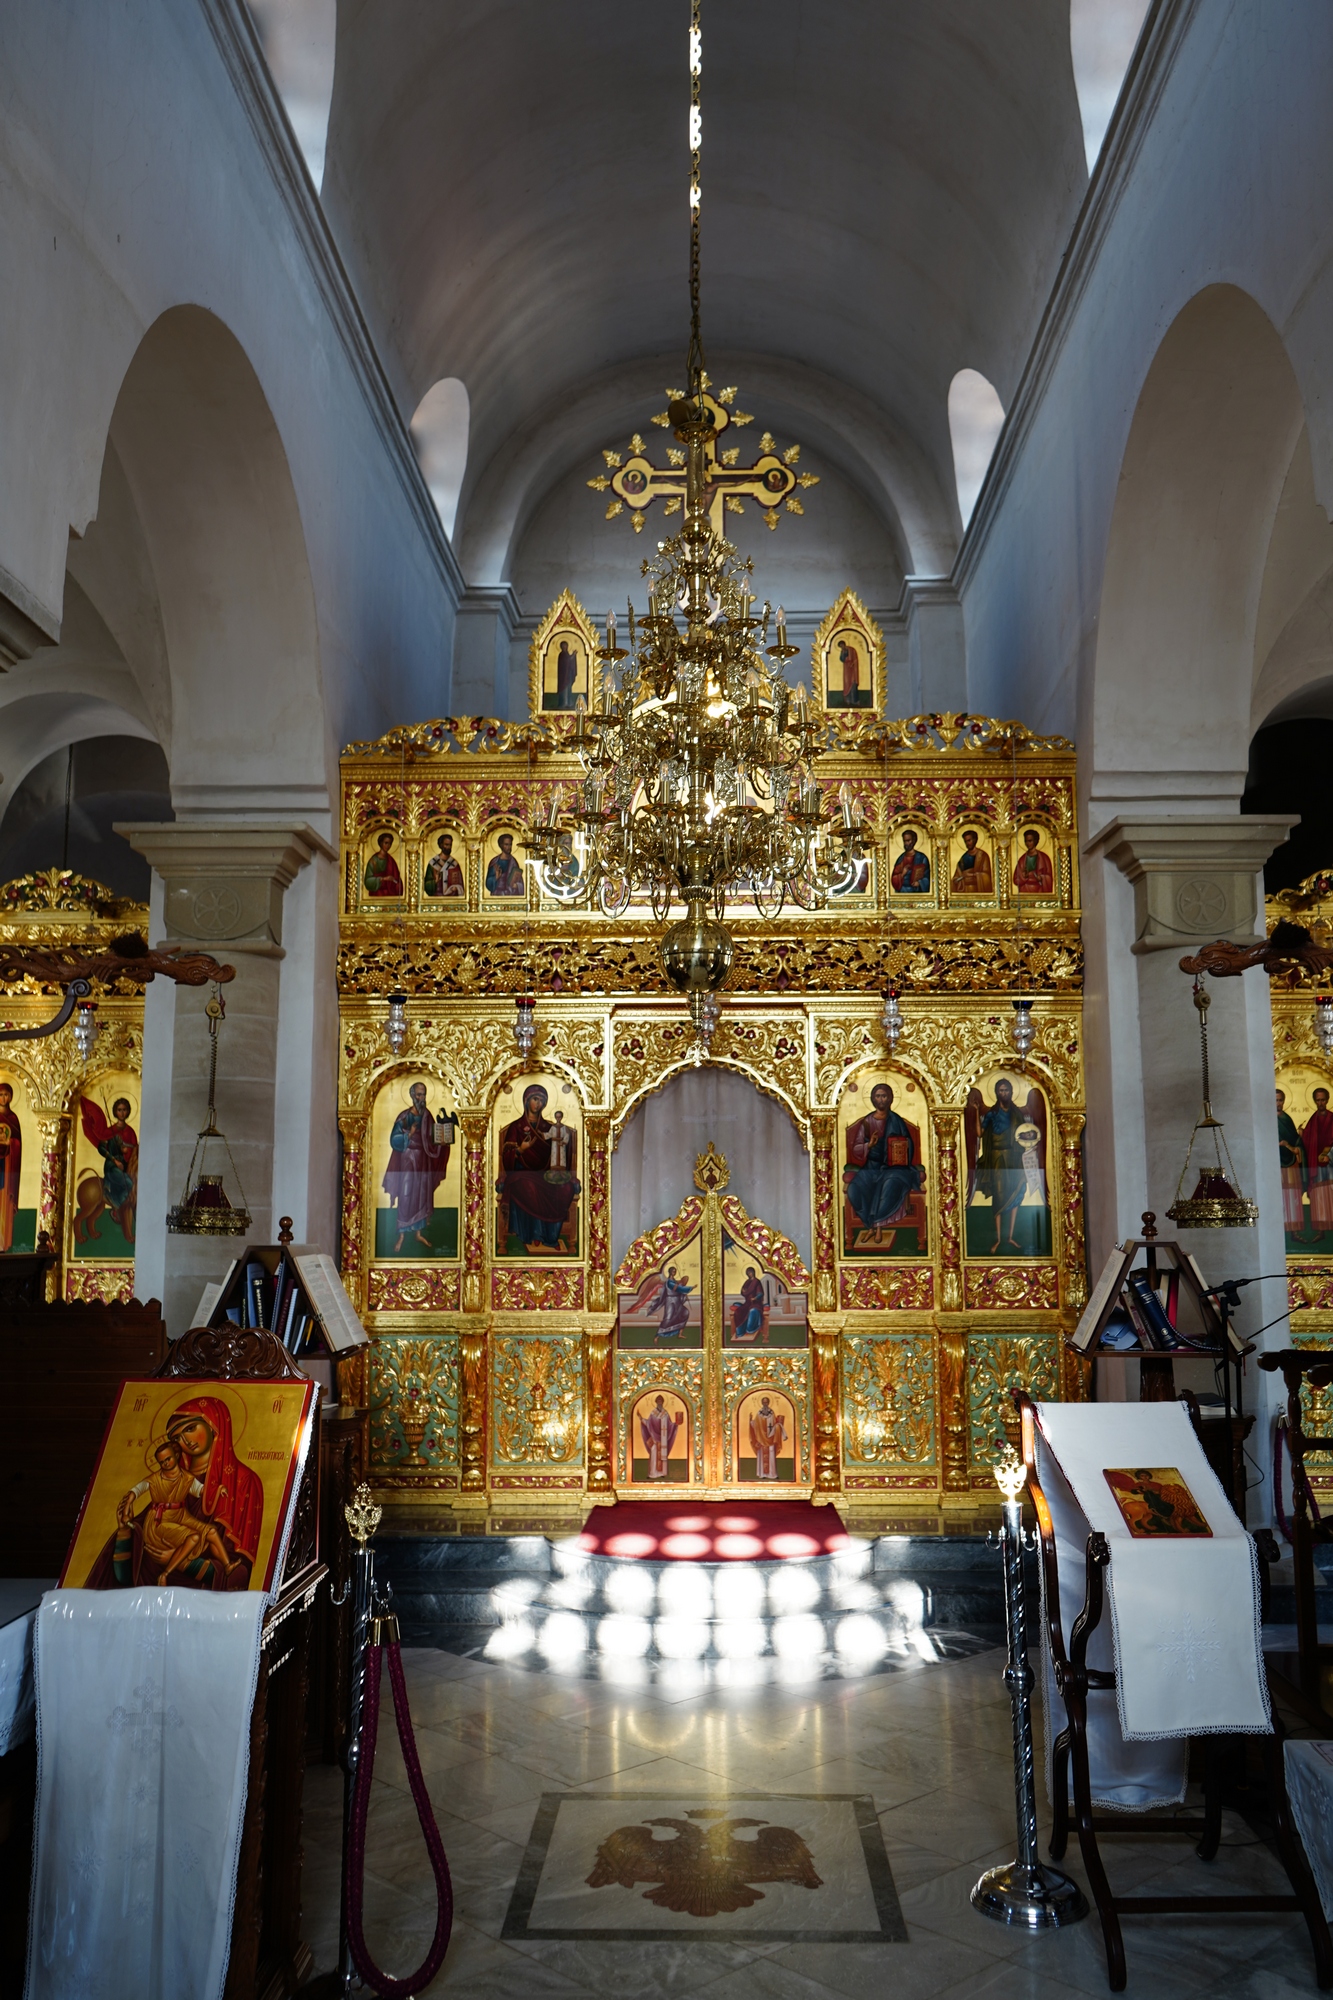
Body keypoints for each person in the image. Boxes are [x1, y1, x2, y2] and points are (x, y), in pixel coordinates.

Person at [85, 1396, 261, 1590]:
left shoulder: (243, 1482)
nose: (185, 1441)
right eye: (177, 1438)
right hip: (149, 1601)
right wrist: (126, 1531)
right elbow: (125, 1573)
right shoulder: (168, 1484)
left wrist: (184, 1563)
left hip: (203, 1603)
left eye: (190, 1429)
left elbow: (240, 1574)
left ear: (213, 1425)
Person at [497, 1083, 579, 1251]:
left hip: (546, 1173)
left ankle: (551, 1237)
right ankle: (534, 1235)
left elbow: (559, 1150)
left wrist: (565, 1139)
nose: (538, 1104)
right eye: (535, 1099)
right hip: (520, 1173)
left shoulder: (548, 1128)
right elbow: (507, 1158)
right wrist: (520, 1150)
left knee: (564, 1187)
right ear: (526, 1101)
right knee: (529, 1186)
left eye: (542, 1100)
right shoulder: (516, 1127)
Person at [843, 1082, 924, 1249]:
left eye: (884, 1096)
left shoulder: (897, 1121)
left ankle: (878, 1227)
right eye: (878, 1096)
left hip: (895, 1167)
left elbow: (909, 1144)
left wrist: (901, 1147)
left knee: (888, 1184)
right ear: (873, 1099)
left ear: (890, 1099)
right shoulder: (867, 1122)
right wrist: (869, 1145)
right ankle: (870, 1225)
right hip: (872, 1165)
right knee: (855, 1188)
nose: (881, 1099)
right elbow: (857, 1148)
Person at [382, 1081, 452, 1253]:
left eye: (424, 1095)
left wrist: (443, 1141)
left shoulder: (428, 1116)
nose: (421, 1098)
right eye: (419, 1095)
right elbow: (394, 1139)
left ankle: (418, 1233)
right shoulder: (404, 1117)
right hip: (408, 1159)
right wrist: (410, 1134)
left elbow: (433, 1139)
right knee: (406, 1194)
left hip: (424, 1160)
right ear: (412, 1096)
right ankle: (401, 1235)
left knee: (422, 1194)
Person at [78, 1095, 138, 1245]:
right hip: (112, 1166)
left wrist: (127, 1152)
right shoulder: (109, 1131)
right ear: (115, 1112)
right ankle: (117, 1209)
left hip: (126, 1165)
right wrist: (115, 1160)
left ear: (128, 1112)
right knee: (129, 1184)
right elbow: (101, 1148)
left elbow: (134, 1149)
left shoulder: (130, 1131)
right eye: (119, 1110)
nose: (122, 1113)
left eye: (124, 1110)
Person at [978, 1077, 1028, 1251]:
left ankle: (1011, 1237)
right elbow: (980, 1133)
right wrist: (975, 1114)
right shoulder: (992, 1114)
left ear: (1011, 1092)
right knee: (999, 1196)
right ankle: (998, 1239)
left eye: (1007, 1090)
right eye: (1001, 1090)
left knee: (1016, 1193)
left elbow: (1024, 1133)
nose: (1004, 1093)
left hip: (1014, 1158)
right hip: (998, 1158)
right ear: (996, 1093)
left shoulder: (1017, 1114)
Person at [1303, 1087, 1333, 1235]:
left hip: (1331, 1166)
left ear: (1327, 1100)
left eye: (1323, 1100)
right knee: (1319, 1196)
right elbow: (1306, 1142)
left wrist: (1330, 1155)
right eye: (1318, 1100)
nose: (1320, 1103)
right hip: (1317, 1167)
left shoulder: (1332, 1118)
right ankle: (1321, 1231)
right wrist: (1301, 1136)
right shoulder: (1313, 1120)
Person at [1278, 1088, 1307, 1234]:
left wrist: (1300, 1137)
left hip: (1291, 1163)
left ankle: (1294, 1232)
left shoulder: (1287, 1118)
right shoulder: (1269, 1120)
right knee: (1281, 1196)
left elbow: (1295, 1141)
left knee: (1294, 1195)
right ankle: (1280, 1232)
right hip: (1277, 1165)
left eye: (1280, 1100)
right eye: (1275, 1100)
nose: (1278, 1103)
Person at [643, 1265, 693, 1339]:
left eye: (675, 1271)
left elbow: (679, 1289)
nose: (674, 1272)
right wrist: (689, 1288)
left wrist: (682, 1294)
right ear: (670, 1272)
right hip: (670, 1301)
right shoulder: (669, 1282)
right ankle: (658, 1335)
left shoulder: (675, 1281)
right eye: (673, 1271)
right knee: (668, 1318)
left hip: (677, 1301)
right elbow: (677, 1288)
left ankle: (679, 1334)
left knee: (684, 1312)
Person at [0, 1079, 21, 1253]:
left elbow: (18, 1143)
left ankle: (4, 1243)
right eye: (1, 1095)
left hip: (7, 1167)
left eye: (6, 1095)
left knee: (5, 1201)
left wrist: (10, 1142)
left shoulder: (13, 1119)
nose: (3, 1098)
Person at [640, 1395, 681, 1480]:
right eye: (658, 1401)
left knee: (663, 1455)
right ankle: (652, 1474)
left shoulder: (665, 1414)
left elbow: (670, 1424)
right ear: (655, 1402)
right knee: (654, 1455)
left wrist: (675, 1424)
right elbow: (648, 1423)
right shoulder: (652, 1413)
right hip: (654, 1438)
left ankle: (662, 1473)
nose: (659, 1403)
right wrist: (641, 1419)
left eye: (661, 1402)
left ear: (662, 1403)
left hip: (663, 1438)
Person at [749, 1396, 786, 1481]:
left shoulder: (771, 1413)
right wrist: (750, 1421)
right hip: (761, 1438)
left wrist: (778, 1425)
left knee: (771, 1456)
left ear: (768, 1403)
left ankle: (772, 1474)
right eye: (764, 1402)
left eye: (766, 1402)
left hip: (771, 1438)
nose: (765, 1404)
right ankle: (762, 1474)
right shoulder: (759, 1413)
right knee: (762, 1455)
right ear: (762, 1403)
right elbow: (756, 1424)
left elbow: (774, 1423)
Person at [423, 831, 465, 898]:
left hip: (452, 898)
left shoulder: (454, 863)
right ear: (441, 845)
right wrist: (435, 881)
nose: (448, 847)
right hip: (436, 898)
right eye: (446, 844)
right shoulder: (433, 863)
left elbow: (460, 884)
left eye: (450, 845)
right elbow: (426, 885)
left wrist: (456, 888)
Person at [1013, 827, 1054, 894]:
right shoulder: (1022, 860)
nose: (1027, 843)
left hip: (1039, 890)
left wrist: (1041, 878)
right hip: (1025, 890)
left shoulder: (1044, 858)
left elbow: (1049, 877)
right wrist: (1023, 877)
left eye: (1030, 841)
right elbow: (1016, 879)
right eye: (1026, 841)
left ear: (1035, 841)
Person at [951, 828, 993, 893]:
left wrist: (972, 875)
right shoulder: (963, 857)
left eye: (969, 840)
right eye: (965, 841)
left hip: (978, 890)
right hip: (964, 890)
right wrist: (957, 879)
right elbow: (957, 875)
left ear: (975, 840)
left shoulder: (982, 855)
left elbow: (987, 876)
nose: (967, 843)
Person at [731, 1267, 767, 1342]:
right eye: (748, 1273)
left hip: (756, 1303)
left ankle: (751, 1329)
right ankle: (740, 1332)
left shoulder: (757, 1282)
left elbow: (760, 1293)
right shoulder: (747, 1282)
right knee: (738, 1312)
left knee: (752, 1311)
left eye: (751, 1272)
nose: (750, 1274)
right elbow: (743, 1291)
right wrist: (743, 1291)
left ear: (753, 1272)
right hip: (747, 1303)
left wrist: (755, 1298)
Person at [364, 830, 403, 897]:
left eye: (390, 843)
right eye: (386, 843)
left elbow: (397, 878)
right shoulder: (373, 861)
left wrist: (396, 883)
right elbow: (367, 881)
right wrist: (383, 879)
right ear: (381, 843)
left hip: (390, 894)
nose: (388, 846)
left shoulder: (391, 860)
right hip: (377, 894)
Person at [485, 831, 525, 897]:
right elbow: (488, 884)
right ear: (501, 845)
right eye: (506, 844)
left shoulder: (513, 862)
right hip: (497, 895)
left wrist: (517, 885)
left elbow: (519, 880)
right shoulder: (495, 862)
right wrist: (496, 877)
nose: (509, 847)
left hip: (510, 894)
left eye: (510, 844)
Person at [890, 829, 930, 893]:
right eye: (904, 841)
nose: (906, 843)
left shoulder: (922, 858)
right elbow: (893, 879)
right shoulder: (901, 859)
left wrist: (919, 883)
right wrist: (902, 874)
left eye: (908, 841)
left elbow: (928, 877)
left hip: (918, 892)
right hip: (903, 891)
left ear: (914, 841)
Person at [552, 639, 579, 710]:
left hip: (568, 675)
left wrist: (573, 656)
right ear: (561, 647)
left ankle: (569, 703)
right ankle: (563, 703)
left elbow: (570, 661)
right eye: (563, 646)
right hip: (563, 676)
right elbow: (567, 661)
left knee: (568, 689)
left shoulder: (566, 654)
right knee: (564, 689)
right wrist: (573, 655)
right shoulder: (562, 655)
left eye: (566, 646)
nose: (565, 647)